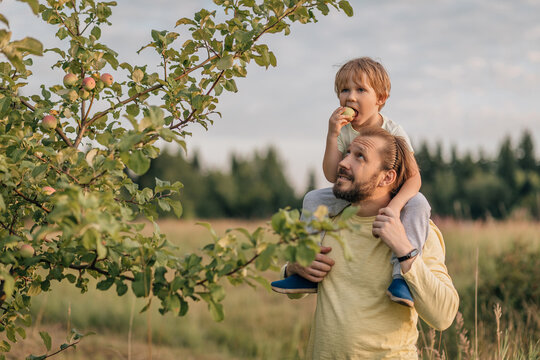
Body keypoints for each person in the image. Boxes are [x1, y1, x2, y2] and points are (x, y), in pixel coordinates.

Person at [284, 127, 459, 358]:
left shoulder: (416, 232)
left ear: (387, 177)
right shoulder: (326, 222)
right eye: (347, 153)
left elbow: (444, 317)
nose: (343, 163)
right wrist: (292, 268)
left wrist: (405, 252)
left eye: (360, 157)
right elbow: (296, 292)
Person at [271, 57, 431, 307]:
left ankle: (402, 279)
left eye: (360, 89)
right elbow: (333, 175)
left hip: (391, 194)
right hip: (354, 191)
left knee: (419, 204)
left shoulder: (393, 130)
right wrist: (332, 134)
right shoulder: (344, 130)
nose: (350, 97)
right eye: (344, 90)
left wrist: (396, 206)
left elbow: (414, 178)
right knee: (313, 198)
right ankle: (307, 265)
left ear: (381, 98)